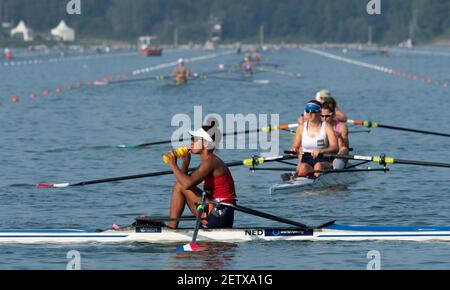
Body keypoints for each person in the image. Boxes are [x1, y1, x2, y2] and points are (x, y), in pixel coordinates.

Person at [164, 124, 237, 229]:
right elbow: (185, 182)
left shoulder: (211, 162)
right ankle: (172, 229)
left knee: (180, 186)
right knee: (180, 186)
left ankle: (171, 228)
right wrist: (186, 163)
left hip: (220, 215)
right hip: (216, 212)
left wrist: (173, 165)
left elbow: (186, 184)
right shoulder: (207, 162)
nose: (191, 142)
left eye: (195, 139)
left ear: (206, 143)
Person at [291, 100, 339, 177]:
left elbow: (335, 147)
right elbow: (295, 146)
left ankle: (318, 184)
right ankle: (303, 181)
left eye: (313, 111)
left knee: (318, 166)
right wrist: (294, 149)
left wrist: (321, 150)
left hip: (323, 159)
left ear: (319, 112)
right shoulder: (301, 128)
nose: (309, 114)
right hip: (306, 159)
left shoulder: (326, 127)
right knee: (303, 167)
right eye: (307, 111)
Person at [320, 100, 350, 169]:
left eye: (327, 116)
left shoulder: (341, 127)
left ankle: (336, 167)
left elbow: (345, 147)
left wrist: (339, 137)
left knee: (344, 149)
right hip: (323, 153)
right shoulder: (318, 125)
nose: (324, 119)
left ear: (333, 115)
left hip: (338, 153)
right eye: (322, 116)